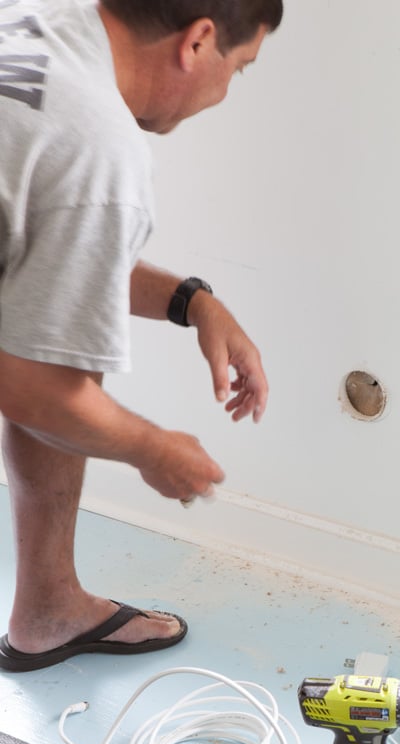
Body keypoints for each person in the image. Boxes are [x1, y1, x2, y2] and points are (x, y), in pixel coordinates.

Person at [0, 0, 283, 671]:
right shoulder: (98, 143)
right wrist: (154, 450)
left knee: (59, 330)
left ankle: (49, 608)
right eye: (238, 70)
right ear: (199, 41)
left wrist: (193, 303)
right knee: (59, 361)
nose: (222, 94)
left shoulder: (42, 27)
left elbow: (50, 260)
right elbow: (33, 388)